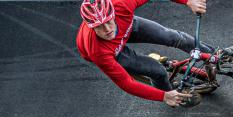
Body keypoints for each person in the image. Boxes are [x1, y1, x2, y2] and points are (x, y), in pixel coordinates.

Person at [76, 0, 212, 107]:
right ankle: (174, 95)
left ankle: (214, 56)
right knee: (158, 72)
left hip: (124, 26)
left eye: (108, 22)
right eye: (99, 27)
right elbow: (127, 83)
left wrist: (187, 1)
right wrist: (164, 96)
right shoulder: (97, 51)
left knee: (174, 37)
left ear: (113, 13)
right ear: (90, 26)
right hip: (111, 51)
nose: (107, 30)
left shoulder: (122, 4)